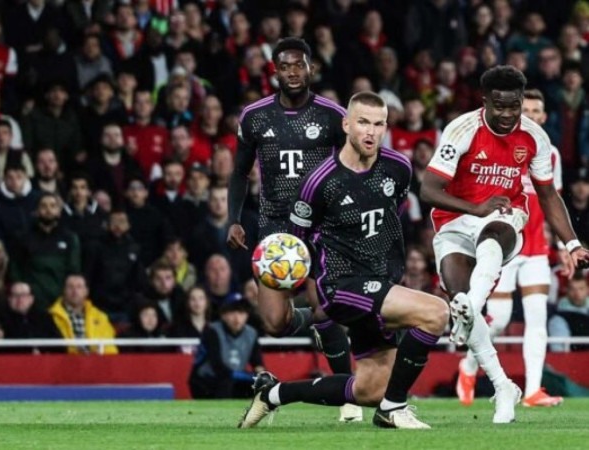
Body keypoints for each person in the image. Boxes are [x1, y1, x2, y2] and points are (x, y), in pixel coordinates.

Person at [239, 91, 448, 430]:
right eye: (363, 122)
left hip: (380, 282)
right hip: (339, 286)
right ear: (346, 124)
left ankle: (273, 394)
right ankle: (394, 409)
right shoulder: (319, 183)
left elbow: (389, 227)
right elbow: (299, 246)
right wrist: (312, 295)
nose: (371, 132)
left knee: (368, 389)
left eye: (379, 124)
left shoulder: (399, 168)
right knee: (436, 313)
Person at [420, 66, 589, 423]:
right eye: (500, 106)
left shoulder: (535, 138)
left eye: (515, 106)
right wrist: (473, 208)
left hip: (506, 219)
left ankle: (473, 308)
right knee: (463, 297)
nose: (509, 114)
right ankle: (503, 387)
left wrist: (571, 242)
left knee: (495, 233)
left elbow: (548, 195)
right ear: (485, 102)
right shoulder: (461, 130)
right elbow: (429, 190)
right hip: (454, 222)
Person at [225, 37, 359, 422]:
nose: (293, 73)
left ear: (310, 68)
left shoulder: (334, 116)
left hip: (320, 227)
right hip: (273, 232)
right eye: (285, 67)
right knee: (276, 323)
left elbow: (350, 168)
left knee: (326, 308)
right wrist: (234, 218)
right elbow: (238, 171)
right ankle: (317, 321)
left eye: (299, 65)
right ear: (275, 71)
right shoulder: (254, 117)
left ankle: (348, 396)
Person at [456, 89, 565, 408]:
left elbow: (552, 201)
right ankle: (469, 366)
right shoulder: (502, 147)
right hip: (505, 244)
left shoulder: (551, 154)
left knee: (537, 318)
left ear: (544, 117)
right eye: (526, 109)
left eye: (537, 110)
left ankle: (532, 390)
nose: (531, 114)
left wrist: (563, 243)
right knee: (499, 317)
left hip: (536, 247)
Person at [190, 298, 264, 399]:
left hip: (233, 380)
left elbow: (257, 363)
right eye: (232, 312)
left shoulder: (251, 334)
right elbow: (217, 366)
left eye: (241, 312)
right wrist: (243, 375)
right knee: (226, 382)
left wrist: (261, 377)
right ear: (223, 315)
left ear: (247, 315)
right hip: (205, 380)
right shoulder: (212, 331)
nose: (237, 318)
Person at [49, 274, 118, 355]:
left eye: (79, 287)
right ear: (64, 290)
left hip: (95, 364)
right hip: (63, 363)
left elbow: (111, 348)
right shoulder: (51, 317)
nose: (74, 291)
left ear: (86, 291)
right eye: (70, 287)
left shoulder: (100, 317)